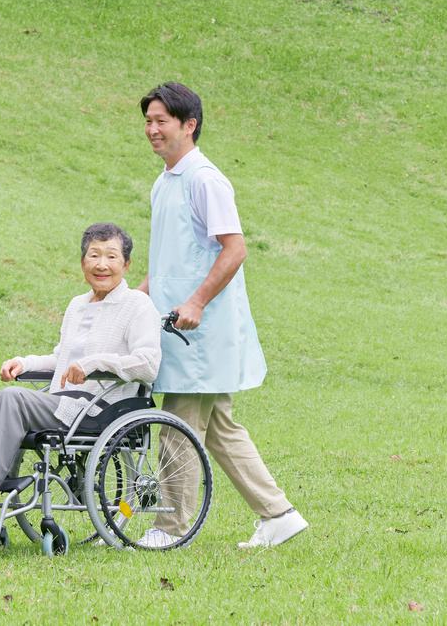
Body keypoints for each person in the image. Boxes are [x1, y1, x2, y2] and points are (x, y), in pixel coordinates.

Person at [134, 82, 308, 549]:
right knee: (220, 430)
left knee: (179, 426)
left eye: (161, 121)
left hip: (200, 332)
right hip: (178, 328)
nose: (152, 129)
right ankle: (278, 515)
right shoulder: (164, 181)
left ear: (189, 125)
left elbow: (235, 250)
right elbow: (166, 260)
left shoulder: (205, 179)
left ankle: (171, 529)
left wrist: (195, 303)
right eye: (148, 121)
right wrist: (133, 300)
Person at [0, 222, 161, 526]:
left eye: (111, 256)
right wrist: (24, 363)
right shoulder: (78, 305)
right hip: (62, 404)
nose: (101, 265)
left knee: (13, 398)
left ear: (127, 264)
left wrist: (95, 363)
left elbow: (148, 364)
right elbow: (61, 357)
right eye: (94, 256)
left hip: (100, 408)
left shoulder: (137, 304)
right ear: (82, 262)